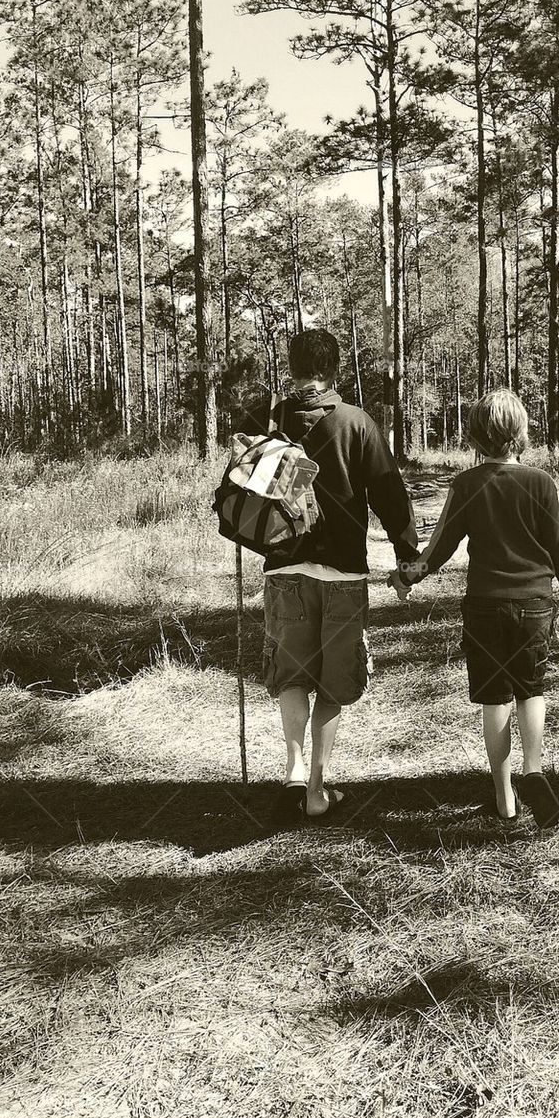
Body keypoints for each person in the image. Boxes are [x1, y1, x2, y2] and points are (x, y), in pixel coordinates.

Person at [239, 329, 418, 820]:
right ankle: (316, 789)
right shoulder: (356, 423)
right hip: (341, 573)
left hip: (284, 568)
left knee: (292, 673)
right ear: (336, 369)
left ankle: (294, 770)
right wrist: (407, 557)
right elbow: (388, 494)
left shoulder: (269, 421)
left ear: (291, 364)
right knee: (334, 681)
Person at [388, 388, 559, 829]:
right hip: (535, 605)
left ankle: (504, 795)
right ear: (521, 433)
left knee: (494, 700)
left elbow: (441, 546)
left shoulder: (466, 485)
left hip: (485, 608)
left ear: (475, 437)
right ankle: (533, 770)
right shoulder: (541, 482)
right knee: (531, 689)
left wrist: (408, 575)